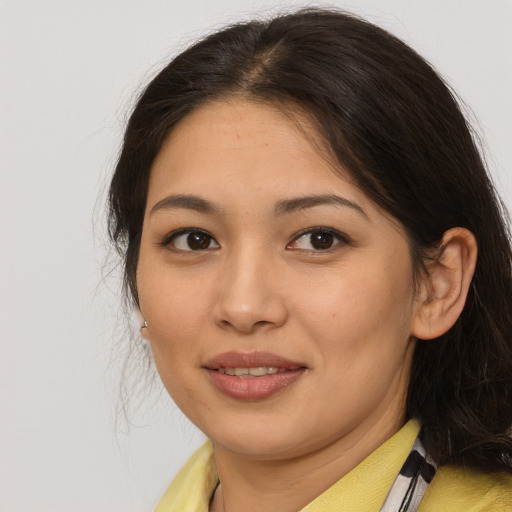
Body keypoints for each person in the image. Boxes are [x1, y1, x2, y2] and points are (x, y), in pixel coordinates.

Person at [108, 8, 512, 511]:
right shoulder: (193, 491)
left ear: (437, 283)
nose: (242, 305)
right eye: (194, 240)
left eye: (319, 239)